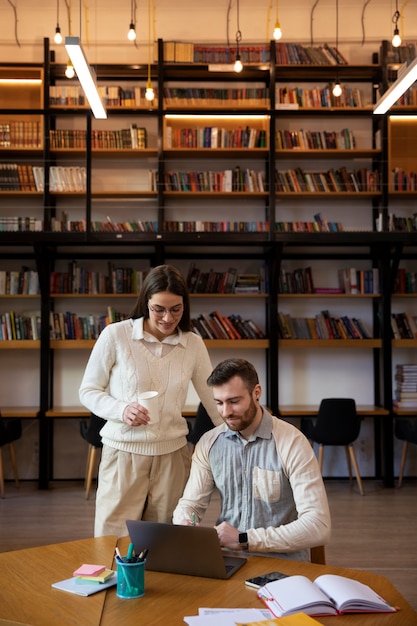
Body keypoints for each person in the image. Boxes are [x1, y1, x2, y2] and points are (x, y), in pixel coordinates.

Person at [79, 264, 222, 537]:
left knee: (167, 539)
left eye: (176, 309)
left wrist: (245, 436)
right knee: (113, 540)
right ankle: (118, 582)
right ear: (146, 303)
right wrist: (122, 410)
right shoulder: (116, 335)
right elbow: (88, 390)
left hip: (173, 456)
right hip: (123, 454)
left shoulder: (192, 343)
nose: (168, 318)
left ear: (185, 306)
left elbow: (214, 400)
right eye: (159, 309)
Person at [173, 358, 331, 561]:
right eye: (219, 403)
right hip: (227, 559)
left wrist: (245, 539)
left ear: (256, 393)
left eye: (234, 401)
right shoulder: (209, 443)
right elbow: (190, 505)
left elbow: (318, 526)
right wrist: (184, 522)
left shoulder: (292, 443)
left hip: (282, 563)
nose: (226, 412)